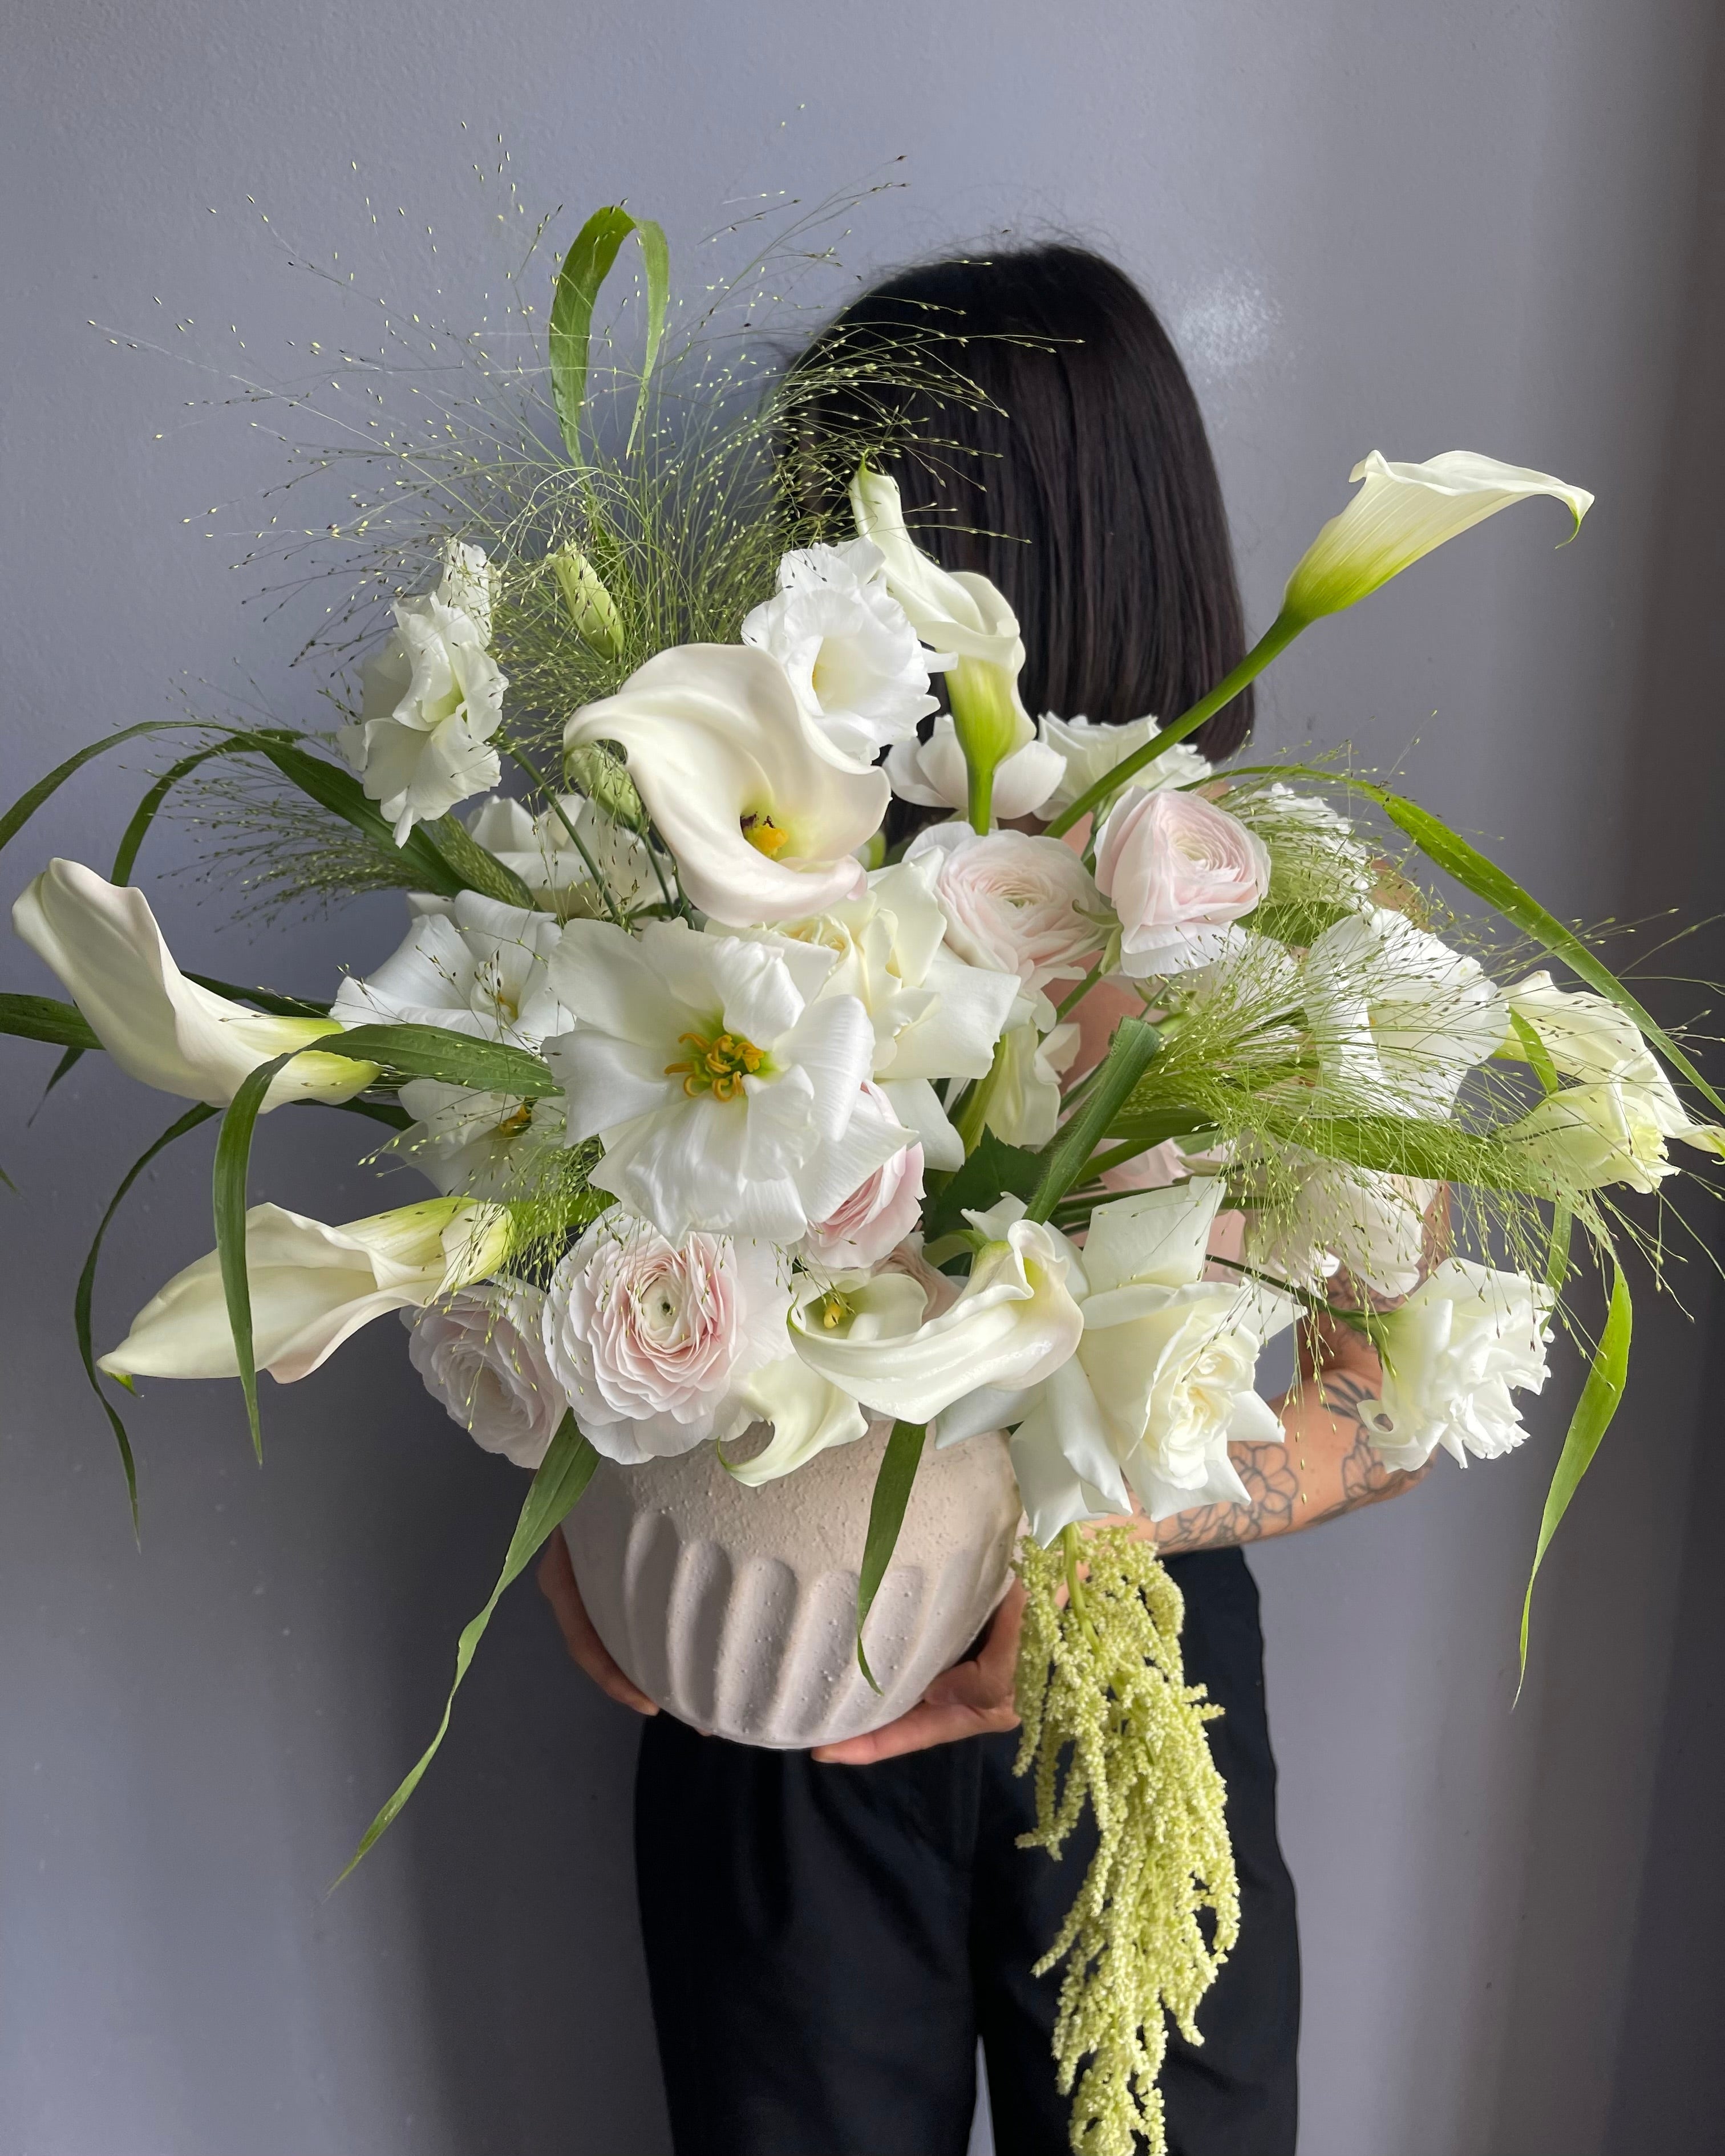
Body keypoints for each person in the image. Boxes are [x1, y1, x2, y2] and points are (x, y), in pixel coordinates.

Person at [537, 242, 1432, 2156]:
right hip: (783, 1689)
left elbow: (1399, 1383)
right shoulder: (722, 893)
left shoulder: (1295, 918)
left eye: (845, 535)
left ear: (998, 556)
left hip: (1135, 1679)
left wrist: (1083, 1562)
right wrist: (584, 1536)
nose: (795, 594)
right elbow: (588, 1269)